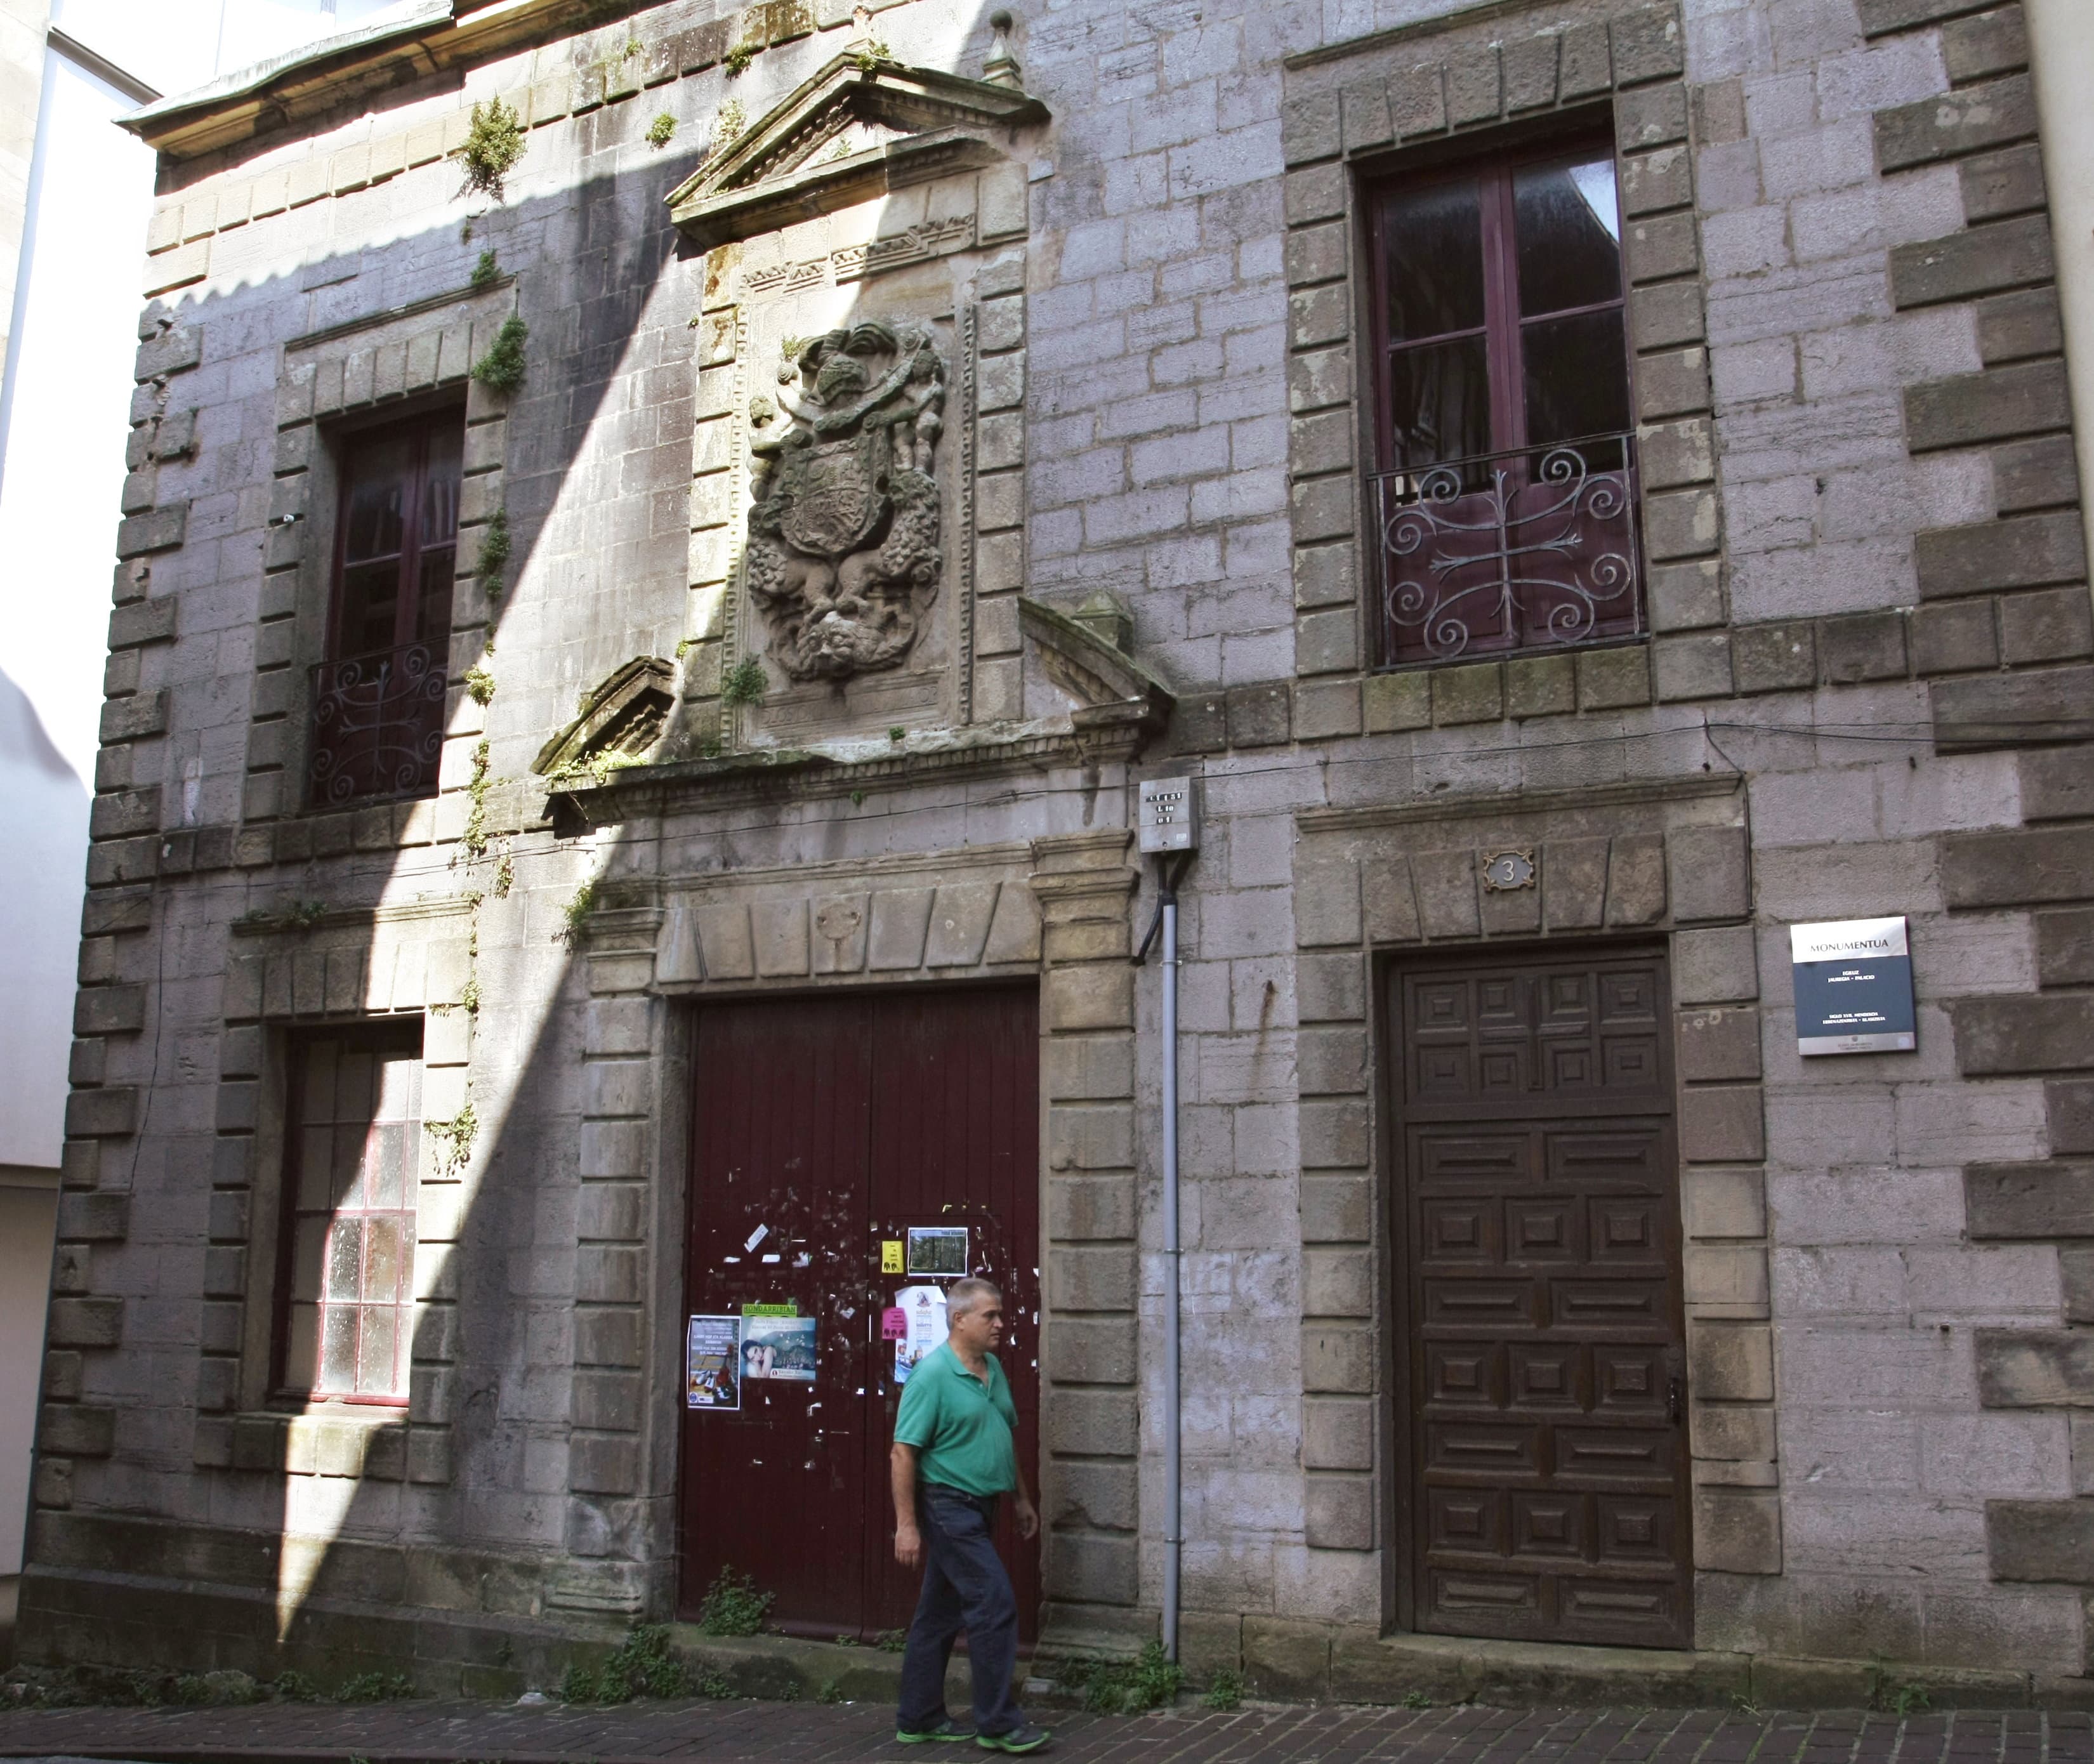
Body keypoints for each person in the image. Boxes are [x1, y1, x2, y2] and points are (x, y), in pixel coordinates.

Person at [890, 1277, 1049, 1753]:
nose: (1001, 1323)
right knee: (993, 1602)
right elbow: (902, 1453)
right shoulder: (931, 1376)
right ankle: (998, 1724)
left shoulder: (992, 1368)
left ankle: (918, 1717)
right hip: (947, 1505)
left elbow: (1003, 1434)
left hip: (982, 1506)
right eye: (990, 1316)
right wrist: (906, 1525)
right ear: (959, 1320)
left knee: (939, 1613)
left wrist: (1020, 1498)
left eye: (1001, 1314)